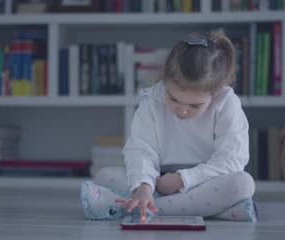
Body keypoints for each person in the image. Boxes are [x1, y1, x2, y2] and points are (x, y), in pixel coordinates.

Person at [81, 31, 257, 222]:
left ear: (214, 94)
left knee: (243, 184)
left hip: (204, 181)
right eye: (173, 99)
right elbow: (141, 150)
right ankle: (218, 210)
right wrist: (144, 186)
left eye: (194, 105)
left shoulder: (227, 103)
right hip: (158, 181)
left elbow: (231, 160)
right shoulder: (151, 100)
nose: (182, 111)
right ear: (165, 81)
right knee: (104, 176)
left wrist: (182, 180)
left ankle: (136, 208)